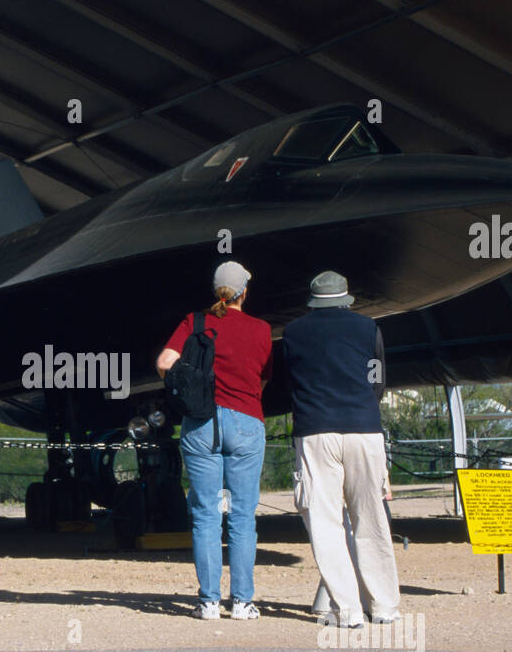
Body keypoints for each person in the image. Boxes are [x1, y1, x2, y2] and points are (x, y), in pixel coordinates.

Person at [283, 270, 401, 628]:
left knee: (325, 522)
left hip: (316, 431)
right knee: (371, 517)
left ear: (314, 301)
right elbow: (377, 379)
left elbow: (290, 379)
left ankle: (348, 611)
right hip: (364, 429)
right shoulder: (369, 328)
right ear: (347, 299)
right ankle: (384, 606)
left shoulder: (292, 332)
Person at [157, 261, 273, 620]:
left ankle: (208, 602)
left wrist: (186, 391)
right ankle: (242, 602)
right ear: (244, 292)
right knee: (242, 516)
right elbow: (264, 378)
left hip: (201, 422)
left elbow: (165, 362)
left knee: (205, 515)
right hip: (246, 422)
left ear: (215, 291)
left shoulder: (195, 322)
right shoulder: (262, 329)